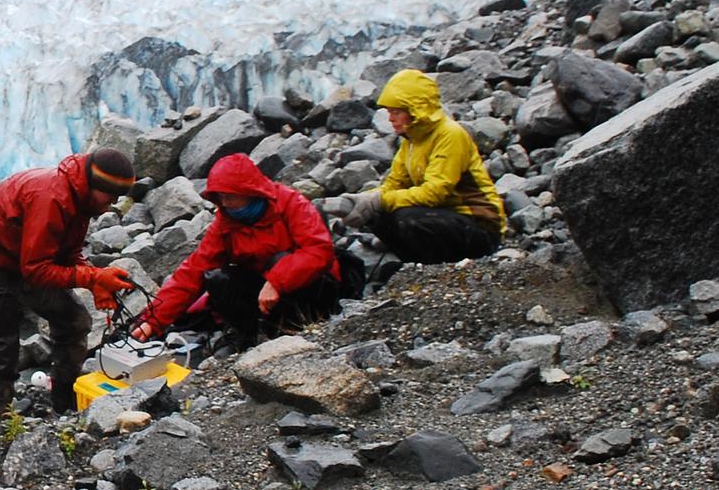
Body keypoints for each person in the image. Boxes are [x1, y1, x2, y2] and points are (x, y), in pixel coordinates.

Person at [0, 148, 140, 414]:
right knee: (2, 344)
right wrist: (93, 277)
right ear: (94, 185)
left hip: (26, 258)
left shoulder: (82, 199)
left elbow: (68, 252)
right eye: (109, 197)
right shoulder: (52, 198)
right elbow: (37, 271)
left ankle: (64, 401)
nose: (110, 205)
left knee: (75, 321)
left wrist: (97, 282)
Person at [132, 154, 341, 344]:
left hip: (314, 290)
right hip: (266, 296)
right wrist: (152, 321)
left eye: (229, 196)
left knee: (280, 259)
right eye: (220, 197)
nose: (224, 203)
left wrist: (277, 281)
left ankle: (302, 322)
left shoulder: (290, 203)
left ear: (249, 191)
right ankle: (256, 335)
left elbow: (319, 251)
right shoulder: (226, 224)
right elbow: (192, 273)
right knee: (216, 279)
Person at [344, 68, 506, 263]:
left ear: (415, 109)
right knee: (376, 216)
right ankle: (416, 258)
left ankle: (436, 266)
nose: (390, 119)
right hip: (446, 218)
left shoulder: (450, 135)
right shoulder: (411, 140)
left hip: (480, 226)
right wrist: (366, 200)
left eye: (396, 112)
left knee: (409, 219)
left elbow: (434, 193)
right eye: (389, 112)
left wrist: (380, 201)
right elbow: (394, 184)